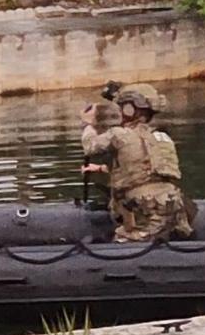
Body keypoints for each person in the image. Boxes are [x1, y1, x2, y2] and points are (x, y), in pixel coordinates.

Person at [80, 83, 194, 242]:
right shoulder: (161, 138)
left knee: (119, 248)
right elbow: (146, 171)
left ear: (129, 109)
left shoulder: (119, 135)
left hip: (146, 214)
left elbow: (89, 146)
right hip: (175, 208)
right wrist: (101, 168)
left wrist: (88, 124)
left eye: (121, 108)